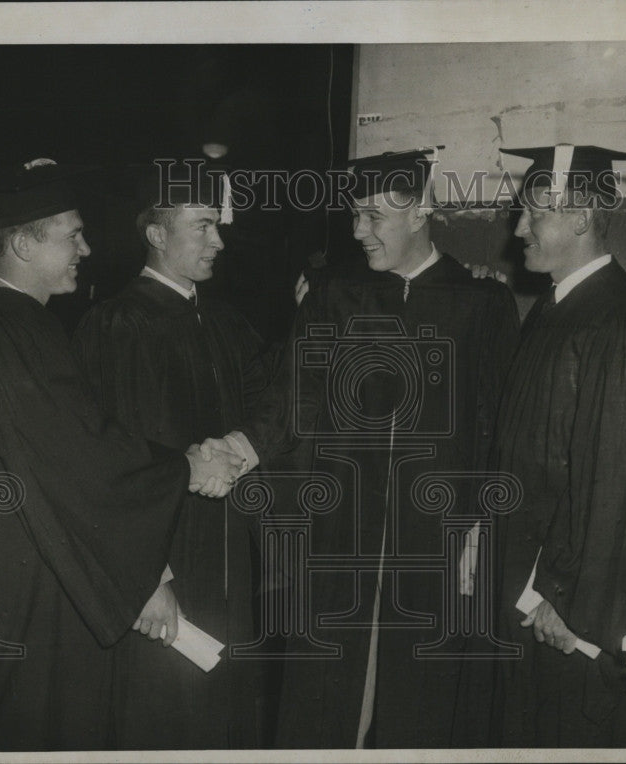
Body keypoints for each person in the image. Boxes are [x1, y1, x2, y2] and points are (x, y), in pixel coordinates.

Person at [0, 159, 237, 751]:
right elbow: (80, 458)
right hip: (24, 588)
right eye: (72, 234)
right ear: (25, 244)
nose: (87, 247)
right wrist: (185, 467)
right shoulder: (10, 332)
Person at [204, 147, 521, 748]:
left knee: (418, 698)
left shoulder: (481, 303)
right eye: (354, 214)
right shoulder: (335, 294)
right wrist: (241, 448)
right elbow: (295, 392)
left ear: (422, 211)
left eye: (375, 217)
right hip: (342, 534)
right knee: (327, 695)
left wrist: (479, 521)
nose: (358, 230)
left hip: (432, 538)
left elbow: (495, 422)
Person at [73, 159, 270, 748]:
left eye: (219, 224)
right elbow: (107, 467)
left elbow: (269, 406)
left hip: (231, 558)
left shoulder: (226, 320)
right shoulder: (114, 326)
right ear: (157, 235)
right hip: (166, 567)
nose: (219, 240)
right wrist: (148, 578)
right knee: (164, 717)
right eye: (203, 225)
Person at [488, 145, 626, 747]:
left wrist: (566, 598)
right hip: (531, 591)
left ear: (580, 216)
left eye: (533, 214)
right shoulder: (555, 308)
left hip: (571, 613)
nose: (519, 228)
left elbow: (618, 486)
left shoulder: (619, 325)